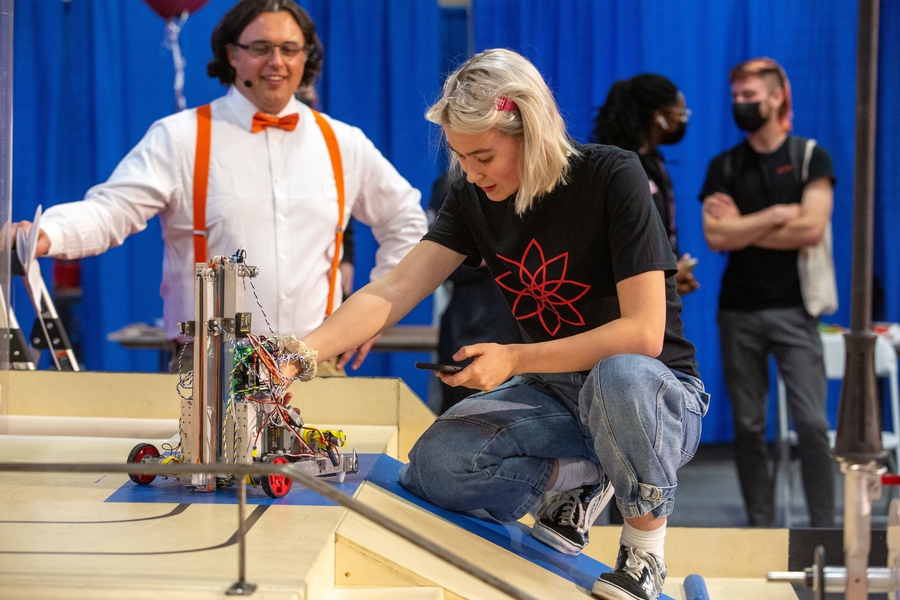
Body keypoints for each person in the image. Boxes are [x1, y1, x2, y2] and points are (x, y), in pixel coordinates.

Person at [284, 48, 708, 600]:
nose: (471, 172)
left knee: (619, 374)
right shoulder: (472, 197)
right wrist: (294, 353)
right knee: (436, 466)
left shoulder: (614, 175)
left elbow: (644, 335)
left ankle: (644, 550)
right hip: (557, 397)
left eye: (483, 155)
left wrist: (515, 358)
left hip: (654, 397)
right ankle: (582, 475)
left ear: (529, 132)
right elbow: (393, 289)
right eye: (462, 158)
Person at [14, 0, 427, 374]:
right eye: (261, 48)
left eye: (289, 49)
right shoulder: (181, 137)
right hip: (210, 370)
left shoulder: (343, 142)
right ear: (232, 53)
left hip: (313, 365)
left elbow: (405, 218)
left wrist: (377, 312)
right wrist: (46, 234)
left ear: (306, 57)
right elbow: (111, 210)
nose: (277, 62)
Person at [700, 57, 835, 528]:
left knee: (814, 424)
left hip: (796, 311)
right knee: (749, 427)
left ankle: (824, 529)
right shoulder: (725, 165)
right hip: (737, 312)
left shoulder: (809, 156)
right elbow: (716, 237)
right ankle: (760, 527)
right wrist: (779, 214)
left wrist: (743, 225)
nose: (740, 104)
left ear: (777, 97)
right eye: (735, 97)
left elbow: (813, 227)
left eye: (750, 97)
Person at [593, 74, 699, 296]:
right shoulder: (619, 169)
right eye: (681, 114)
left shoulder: (655, 164)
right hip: (627, 295)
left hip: (657, 291)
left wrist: (674, 273)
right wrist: (666, 276)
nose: (683, 121)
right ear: (659, 117)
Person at [426, 171, 522, 414]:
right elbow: (437, 260)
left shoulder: (528, 183)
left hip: (516, 318)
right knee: (463, 410)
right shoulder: (452, 186)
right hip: (471, 316)